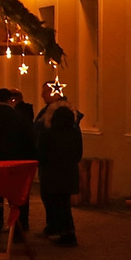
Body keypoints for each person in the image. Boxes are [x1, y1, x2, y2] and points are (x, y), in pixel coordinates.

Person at [0, 88, 37, 241]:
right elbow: (30, 140)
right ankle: (18, 230)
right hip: (16, 163)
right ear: (11, 100)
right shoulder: (19, 117)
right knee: (18, 198)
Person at [37, 105, 83, 247]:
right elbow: (78, 153)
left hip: (52, 173)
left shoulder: (48, 133)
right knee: (65, 204)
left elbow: (41, 152)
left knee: (56, 204)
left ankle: (65, 234)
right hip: (68, 172)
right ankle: (68, 233)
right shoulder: (74, 132)